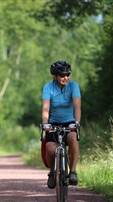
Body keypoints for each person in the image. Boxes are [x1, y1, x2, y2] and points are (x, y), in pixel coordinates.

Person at [41, 60, 81, 189]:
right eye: (62, 75)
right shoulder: (48, 87)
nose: (66, 78)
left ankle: (73, 171)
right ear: (55, 76)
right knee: (50, 147)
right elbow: (45, 108)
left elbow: (77, 107)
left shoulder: (74, 86)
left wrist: (76, 123)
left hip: (70, 122)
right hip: (53, 123)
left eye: (68, 74)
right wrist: (45, 124)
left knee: (73, 138)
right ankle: (52, 173)